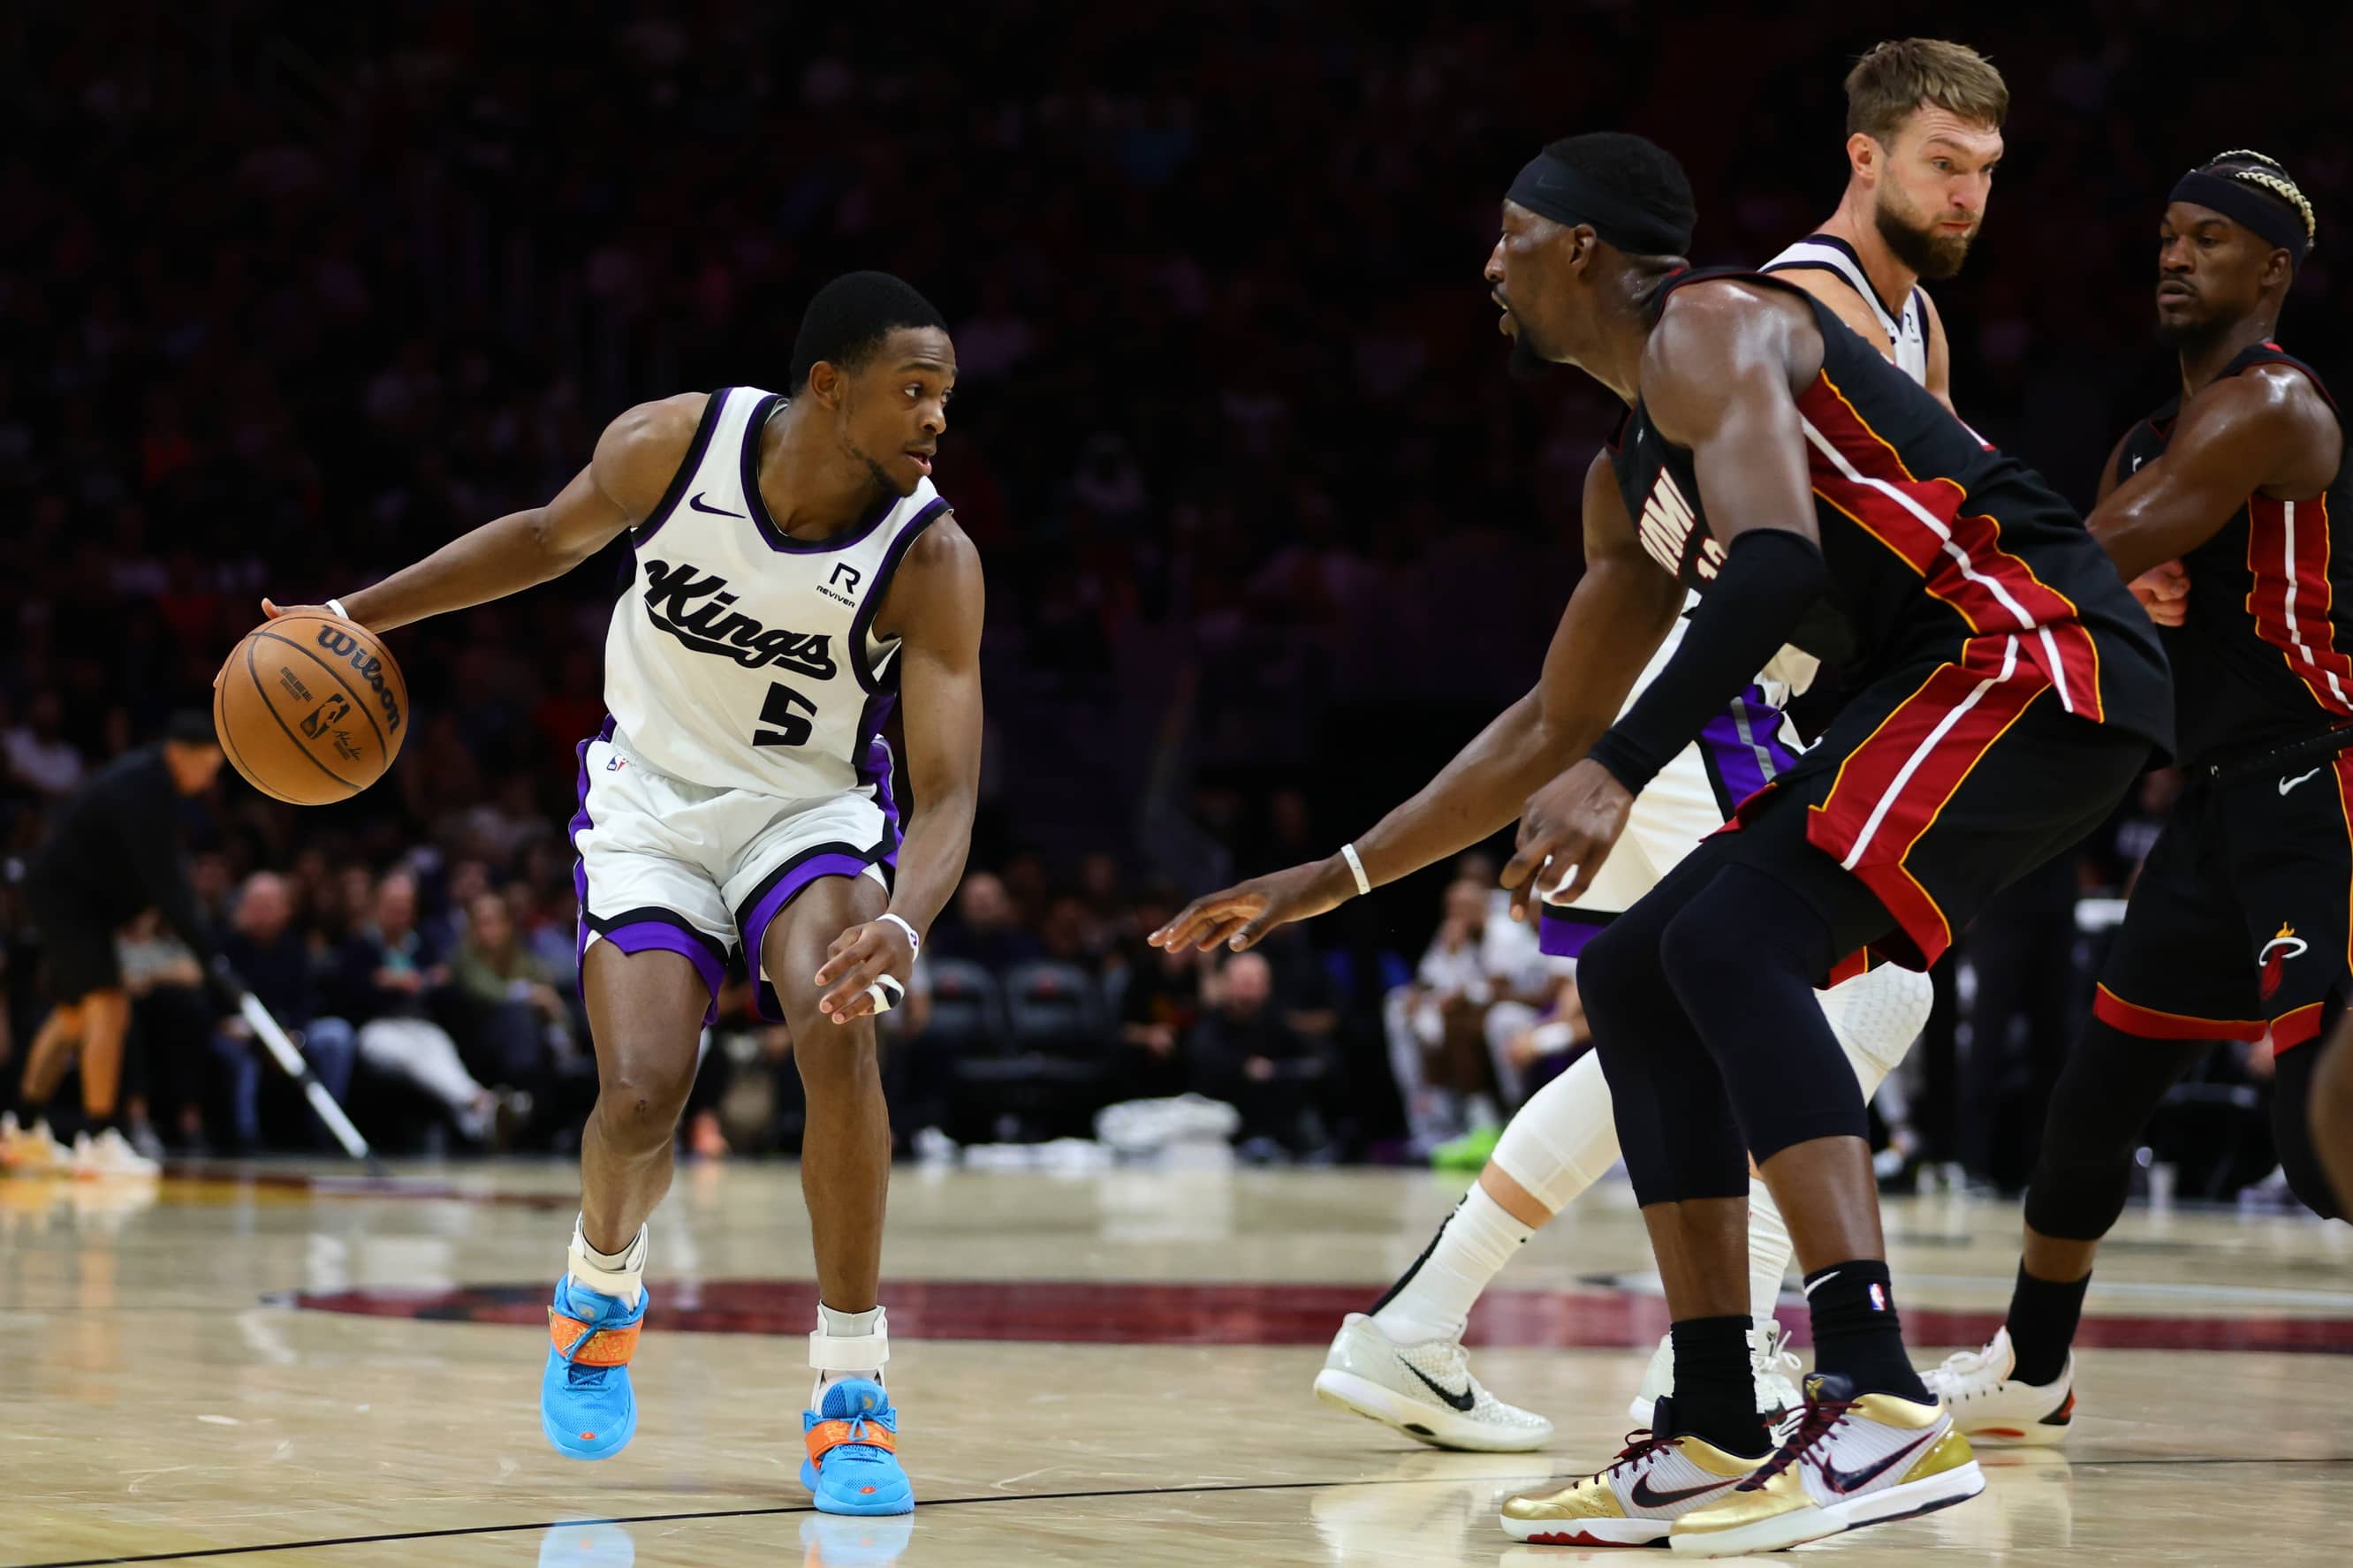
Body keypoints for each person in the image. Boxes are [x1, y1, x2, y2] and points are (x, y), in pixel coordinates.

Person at [1158, 37, 2007, 1458]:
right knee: (1827, 992)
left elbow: (1940, 541)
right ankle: (1714, 1350)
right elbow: (1743, 587)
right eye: (1940, 162)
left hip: (1751, 701)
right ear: (1862, 161)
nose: (1967, 193)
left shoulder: (1909, 319)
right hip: (1705, 698)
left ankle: (1440, 1322)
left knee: (1709, 1007)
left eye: (1983, 169)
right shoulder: (1783, 301)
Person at [1464, 131, 2167, 1553]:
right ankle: (1713, 1417)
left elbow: (1777, 563)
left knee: (1732, 938)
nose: (1489, 263)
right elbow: (1548, 717)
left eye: (1510, 233)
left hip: (2023, 647)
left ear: (1581, 248)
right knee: (1637, 967)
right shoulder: (1632, 465)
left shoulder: (1713, 318)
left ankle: (1875, 1390)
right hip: (1945, 676)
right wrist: (1332, 876)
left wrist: (1618, 771)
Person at [241, 272, 979, 1518]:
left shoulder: (932, 556)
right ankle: (598, 1281)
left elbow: (950, 791)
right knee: (639, 1095)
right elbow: (540, 539)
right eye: (913, 390)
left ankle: (849, 1386)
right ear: (828, 385)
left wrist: (902, 918)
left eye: (945, 396)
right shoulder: (672, 446)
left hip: (805, 812)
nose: (935, 418)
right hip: (650, 803)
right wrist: (352, 615)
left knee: (836, 1027)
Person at [1924, 151, 2349, 1440]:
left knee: (2318, 1137)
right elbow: (2105, 590)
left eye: (2207, 238)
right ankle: (2031, 1365)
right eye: (2165, 232)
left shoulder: (2270, 402)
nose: (2172, 255)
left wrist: (1931, 577)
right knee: (2090, 1101)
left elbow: (2100, 548)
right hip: (2212, 802)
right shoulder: (2142, 436)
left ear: (2270, 270)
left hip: (2317, 777)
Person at [9, 710, 231, 1176]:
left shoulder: (150, 782)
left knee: (72, 1016)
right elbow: (164, 879)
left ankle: (22, 1129)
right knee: (109, 1005)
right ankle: (100, 1139)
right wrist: (207, 951)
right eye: (209, 767)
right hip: (69, 902)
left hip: (70, 901)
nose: (210, 780)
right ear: (182, 753)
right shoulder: (145, 787)